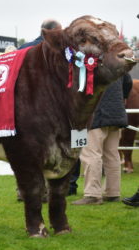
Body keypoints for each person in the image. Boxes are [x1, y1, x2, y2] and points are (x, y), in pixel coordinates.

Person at [16, 18, 62, 202]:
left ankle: (24, 191)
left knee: (25, 151)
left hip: (24, 108)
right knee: (49, 151)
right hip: (50, 108)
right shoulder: (57, 51)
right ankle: (44, 191)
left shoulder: (23, 49)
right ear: (51, 32)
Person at [72, 73, 133, 205]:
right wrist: (123, 97)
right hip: (116, 113)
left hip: (94, 113)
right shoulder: (115, 60)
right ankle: (112, 192)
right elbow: (128, 81)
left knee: (91, 154)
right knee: (112, 154)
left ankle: (92, 194)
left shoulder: (86, 60)